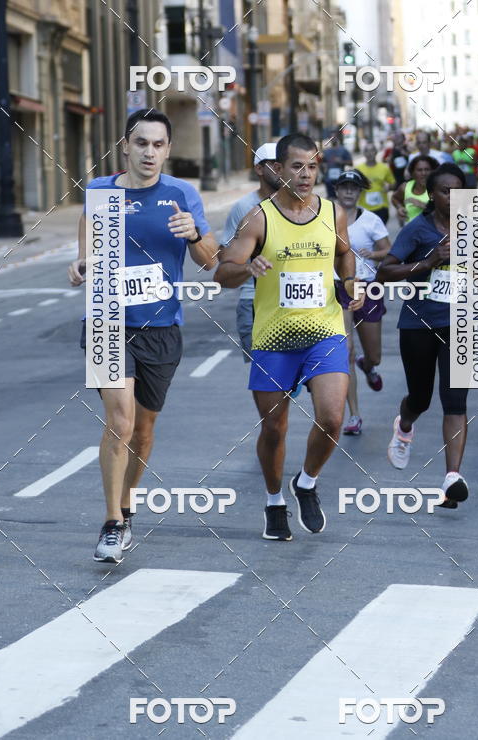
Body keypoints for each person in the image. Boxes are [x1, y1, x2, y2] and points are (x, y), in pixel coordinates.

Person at [68, 108, 218, 563]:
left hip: (161, 326)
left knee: (145, 430)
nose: (149, 152)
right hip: (107, 321)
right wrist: (80, 262)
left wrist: (193, 234)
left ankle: (129, 504)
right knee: (120, 421)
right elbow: (87, 242)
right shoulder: (101, 193)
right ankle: (112, 523)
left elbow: (211, 261)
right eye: (141, 143)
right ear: (125, 146)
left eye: (158, 145)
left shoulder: (181, 194)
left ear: (168, 150)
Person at [216, 133, 363, 540]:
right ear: (278, 169)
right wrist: (248, 268)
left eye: (313, 167)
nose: (305, 174)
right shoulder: (258, 218)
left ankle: (307, 483)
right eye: (297, 166)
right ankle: (274, 499)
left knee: (333, 417)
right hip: (274, 338)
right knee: (274, 428)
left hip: (325, 332)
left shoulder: (333, 213)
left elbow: (344, 252)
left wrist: (350, 282)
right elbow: (223, 272)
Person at [377, 163, 470, 508]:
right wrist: (428, 263)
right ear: (432, 194)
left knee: (456, 401)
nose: (454, 196)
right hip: (418, 323)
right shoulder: (417, 229)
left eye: (459, 190)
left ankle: (452, 477)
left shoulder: (472, 228)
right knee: (421, 398)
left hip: (461, 323)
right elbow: (385, 272)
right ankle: (404, 425)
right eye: (446, 191)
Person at [333, 170, 391, 435]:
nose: (348, 192)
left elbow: (389, 251)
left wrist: (374, 253)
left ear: (360, 192)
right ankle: (354, 416)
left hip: (366, 288)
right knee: (346, 350)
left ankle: (367, 366)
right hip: (337, 288)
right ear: (336, 190)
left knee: (374, 355)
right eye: (344, 187)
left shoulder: (371, 220)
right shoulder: (325, 218)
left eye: (353, 188)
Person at [220, 143, 280, 361]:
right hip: (251, 299)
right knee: (262, 375)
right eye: (273, 165)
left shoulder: (298, 205)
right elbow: (224, 257)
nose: (279, 169)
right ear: (259, 169)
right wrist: (249, 260)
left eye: (282, 164)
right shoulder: (243, 207)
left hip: (290, 302)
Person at [391, 155, 438, 223]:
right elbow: (394, 198)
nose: (423, 173)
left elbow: (445, 212)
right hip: (410, 232)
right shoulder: (405, 187)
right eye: (419, 170)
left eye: (427, 169)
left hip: (432, 231)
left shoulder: (437, 188)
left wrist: (422, 205)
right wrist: (399, 207)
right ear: (412, 173)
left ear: (432, 171)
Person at [357, 143, 396, 224]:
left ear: (376, 152)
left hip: (381, 207)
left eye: (372, 150)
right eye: (367, 151)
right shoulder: (358, 169)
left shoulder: (384, 168)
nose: (369, 153)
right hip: (364, 208)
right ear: (364, 153)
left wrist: (389, 187)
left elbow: (393, 183)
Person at [321, 134, 353, 198]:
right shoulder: (326, 151)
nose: (333, 139)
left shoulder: (343, 150)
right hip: (329, 180)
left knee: (341, 198)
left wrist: (342, 162)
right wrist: (323, 171)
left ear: (338, 138)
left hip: (340, 179)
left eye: (334, 137)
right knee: (331, 199)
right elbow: (321, 163)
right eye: (331, 137)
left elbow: (351, 163)